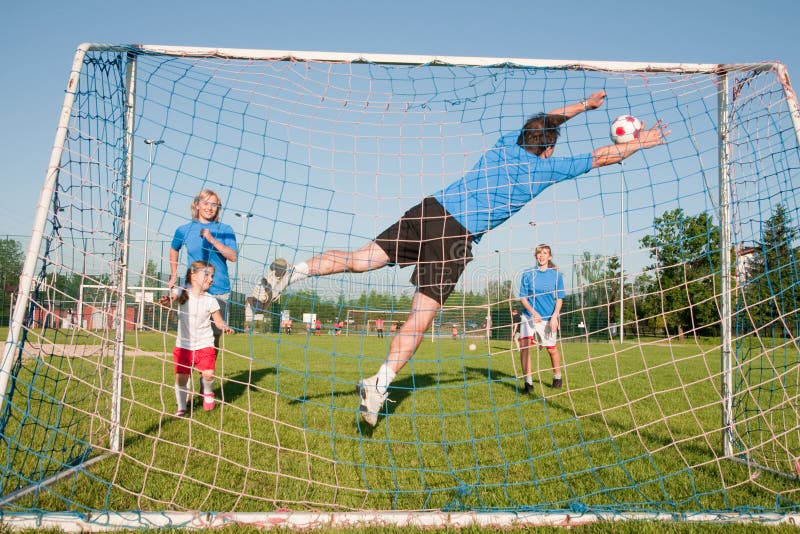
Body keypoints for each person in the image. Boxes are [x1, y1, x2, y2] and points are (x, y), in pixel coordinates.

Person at [253, 91, 669, 426]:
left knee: (361, 258)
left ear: (525, 134)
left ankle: (295, 271)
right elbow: (600, 156)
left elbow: (544, 124)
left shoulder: (505, 145)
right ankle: (379, 383)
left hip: (429, 209)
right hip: (455, 236)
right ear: (548, 149)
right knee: (420, 318)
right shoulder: (546, 169)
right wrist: (639, 143)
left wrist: (582, 106)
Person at [161, 260, 234, 415]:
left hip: (204, 343)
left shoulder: (211, 300)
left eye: (212, 276)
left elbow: (218, 321)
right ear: (193, 276)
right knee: (181, 378)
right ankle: (181, 408)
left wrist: (224, 326)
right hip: (184, 346)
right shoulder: (182, 293)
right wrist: (167, 301)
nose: (211, 279)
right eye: (207, 274)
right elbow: (171, 299)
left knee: (208, 373)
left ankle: (207, 391)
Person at [169, 189, 237, 348]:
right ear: (197, 205)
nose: (209, 207)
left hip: (219, 290)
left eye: (214, 204)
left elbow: (233, 256)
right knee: (191, 336)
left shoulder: (226, 229)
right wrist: (173, 274)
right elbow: (174, 249)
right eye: (206, 203)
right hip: (194, 290)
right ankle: (189, 371)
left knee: (213, 338)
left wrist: (211, 239)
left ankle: (205, 373)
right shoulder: (183, 230)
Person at [519, 244, 565, 393]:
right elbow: (523, 298)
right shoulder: (527, 273)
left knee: (551, 350)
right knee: (525, 347)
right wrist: (532, 312)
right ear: (536, 256)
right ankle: (528, 384)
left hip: (547, 317)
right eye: (539, 253)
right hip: (529, 316)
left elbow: (559, 298)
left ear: (549, 257)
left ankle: (557, 376)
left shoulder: (556, 275)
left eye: (545, 253)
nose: (541, 255)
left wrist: (554, 317)